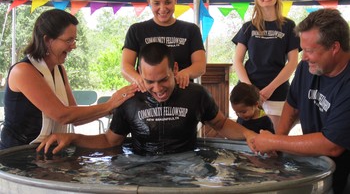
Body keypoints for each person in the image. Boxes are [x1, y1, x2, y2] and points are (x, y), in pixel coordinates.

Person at [37, 43, 256, 156]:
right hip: (141, 165)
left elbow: (220, 124)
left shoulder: (195, 94)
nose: (157, 89)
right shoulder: (130, 100)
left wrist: (249, 135)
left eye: (163, 80)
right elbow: (110, 141)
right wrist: (74, 138)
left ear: (175, 69)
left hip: (185, 164)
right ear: (139, 73)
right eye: (149, 82)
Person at [0, 9, 137, 150]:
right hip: (17, 154)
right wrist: (110, 104)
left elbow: (75, 117)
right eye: (69, 40)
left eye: (74, 40)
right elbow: (62, 115)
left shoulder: (59, 70)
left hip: (45, 152)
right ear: (47, 40)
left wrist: (115, 107)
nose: (74, 46)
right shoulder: (22, 71)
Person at [251, 9, 350, 194]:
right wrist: (277, 141)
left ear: (335, 48)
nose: (303, 57)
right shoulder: (306, 67)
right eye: (303, 50)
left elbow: (332, 145)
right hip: (318, 165)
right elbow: (293, 104)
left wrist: (274, 141)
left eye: (310, 51)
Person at [232, 0, 300, 131]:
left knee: (276, 139)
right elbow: (237, 61)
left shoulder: (290, 26)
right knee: (246, 137)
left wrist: (270, 89)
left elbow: (293, 62)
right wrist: (251, 90)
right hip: (248, 92)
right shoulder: (247, 27)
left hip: (277, 90)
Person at [121, 0, 206, 92]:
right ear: (149, 2)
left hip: (181, 93)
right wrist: (138, 79)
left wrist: (186, 73)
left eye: (168, 2)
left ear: (175, 0)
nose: (162, 9)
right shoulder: (136, 30)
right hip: (147, 96)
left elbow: (200, 65)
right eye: (156, 3)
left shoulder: (191, 30)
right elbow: (126, 66)